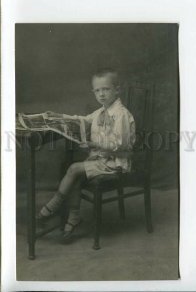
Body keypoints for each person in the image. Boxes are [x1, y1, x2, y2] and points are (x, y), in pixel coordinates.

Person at [37, 69, 136, 242]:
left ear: (117, 90)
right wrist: (59, 117)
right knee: (76, 175)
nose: (101, 94)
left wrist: (94, 144)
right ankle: (73, 219)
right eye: (97, 91)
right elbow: (82, 120)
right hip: (101, 160)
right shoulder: (100, 112)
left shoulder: (121, 115)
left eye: (106, 89)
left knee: (74, 168)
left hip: (116, 163)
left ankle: (53, 206)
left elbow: (121, 144)